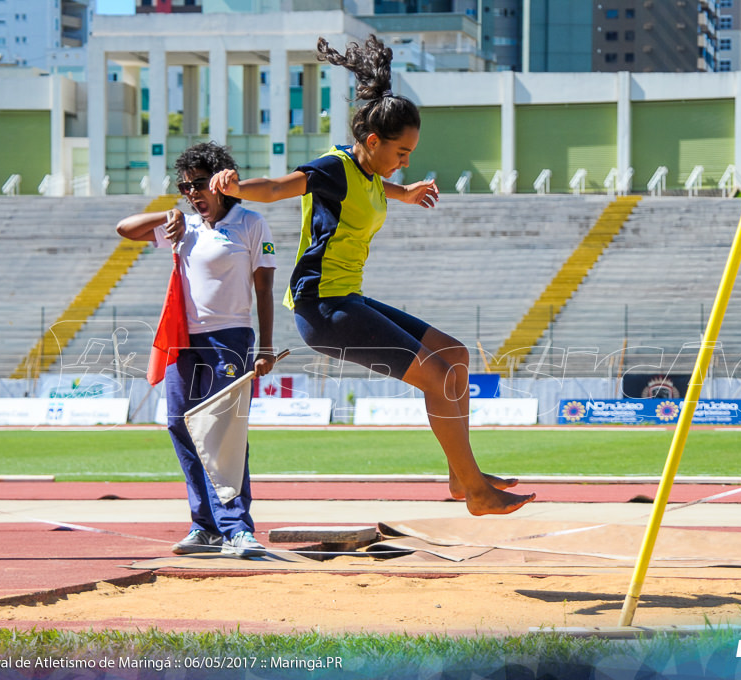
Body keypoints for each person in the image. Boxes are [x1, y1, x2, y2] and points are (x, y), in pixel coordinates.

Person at [210, 35, 534, 516]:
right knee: (441, 378)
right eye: (402, 153)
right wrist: (236, 186)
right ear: (375, 141)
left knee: (455, 355)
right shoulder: (333, 168)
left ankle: (459, 476)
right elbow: (280, 186)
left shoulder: (367, 175)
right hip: (322, 308)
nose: (407, 161)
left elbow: (375, 185)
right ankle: (476, 491)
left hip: (349, 299)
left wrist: (406, 192)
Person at [117, 142, 276, 557]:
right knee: (181, 425)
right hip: (183, 340)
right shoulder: (182, 224)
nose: (192, 194)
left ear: (223, 181)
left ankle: (237, 527)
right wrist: (168, 213)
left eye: (199, 184)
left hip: (231, 339)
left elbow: (265, 287)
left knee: (224, 433)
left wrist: (267, 346)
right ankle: (204, 526)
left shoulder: (250, 223)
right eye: (184, 187)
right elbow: (125, 228)